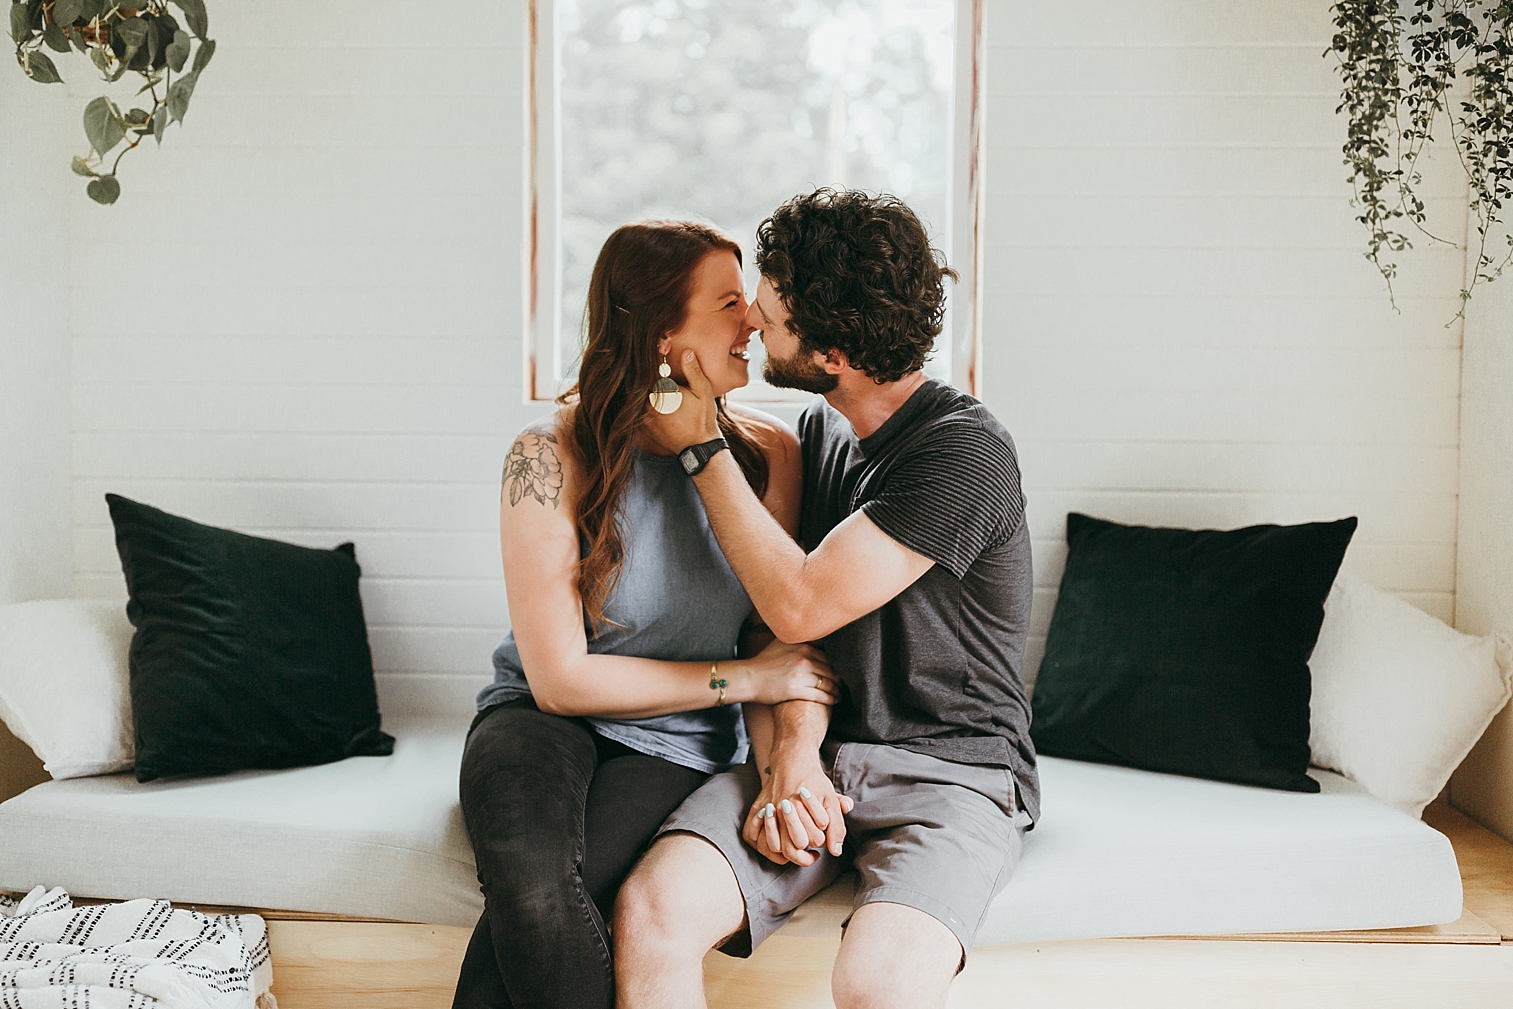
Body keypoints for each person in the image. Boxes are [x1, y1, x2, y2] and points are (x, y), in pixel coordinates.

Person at [614, 189, 1039, 1009]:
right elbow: (783, 646)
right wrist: (789, 763)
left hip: (953, 775)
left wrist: (701, 447)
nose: (749, 328)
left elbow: (801, 606)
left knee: (876, 985)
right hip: (823, 756)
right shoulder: (826, 429)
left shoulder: (963, 454)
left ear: (834, 352)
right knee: (651, 912)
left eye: (766, 315)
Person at [454, 220, 841, 1009]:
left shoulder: (771, 453)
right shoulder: (546, 454)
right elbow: (559, 682)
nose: (754, 321)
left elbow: (775, 628)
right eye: (730, 302)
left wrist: (783, 762)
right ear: (663, 331)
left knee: (559, 902)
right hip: (535, 718)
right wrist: (747, 678)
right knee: (530, 891)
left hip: (675, 739)